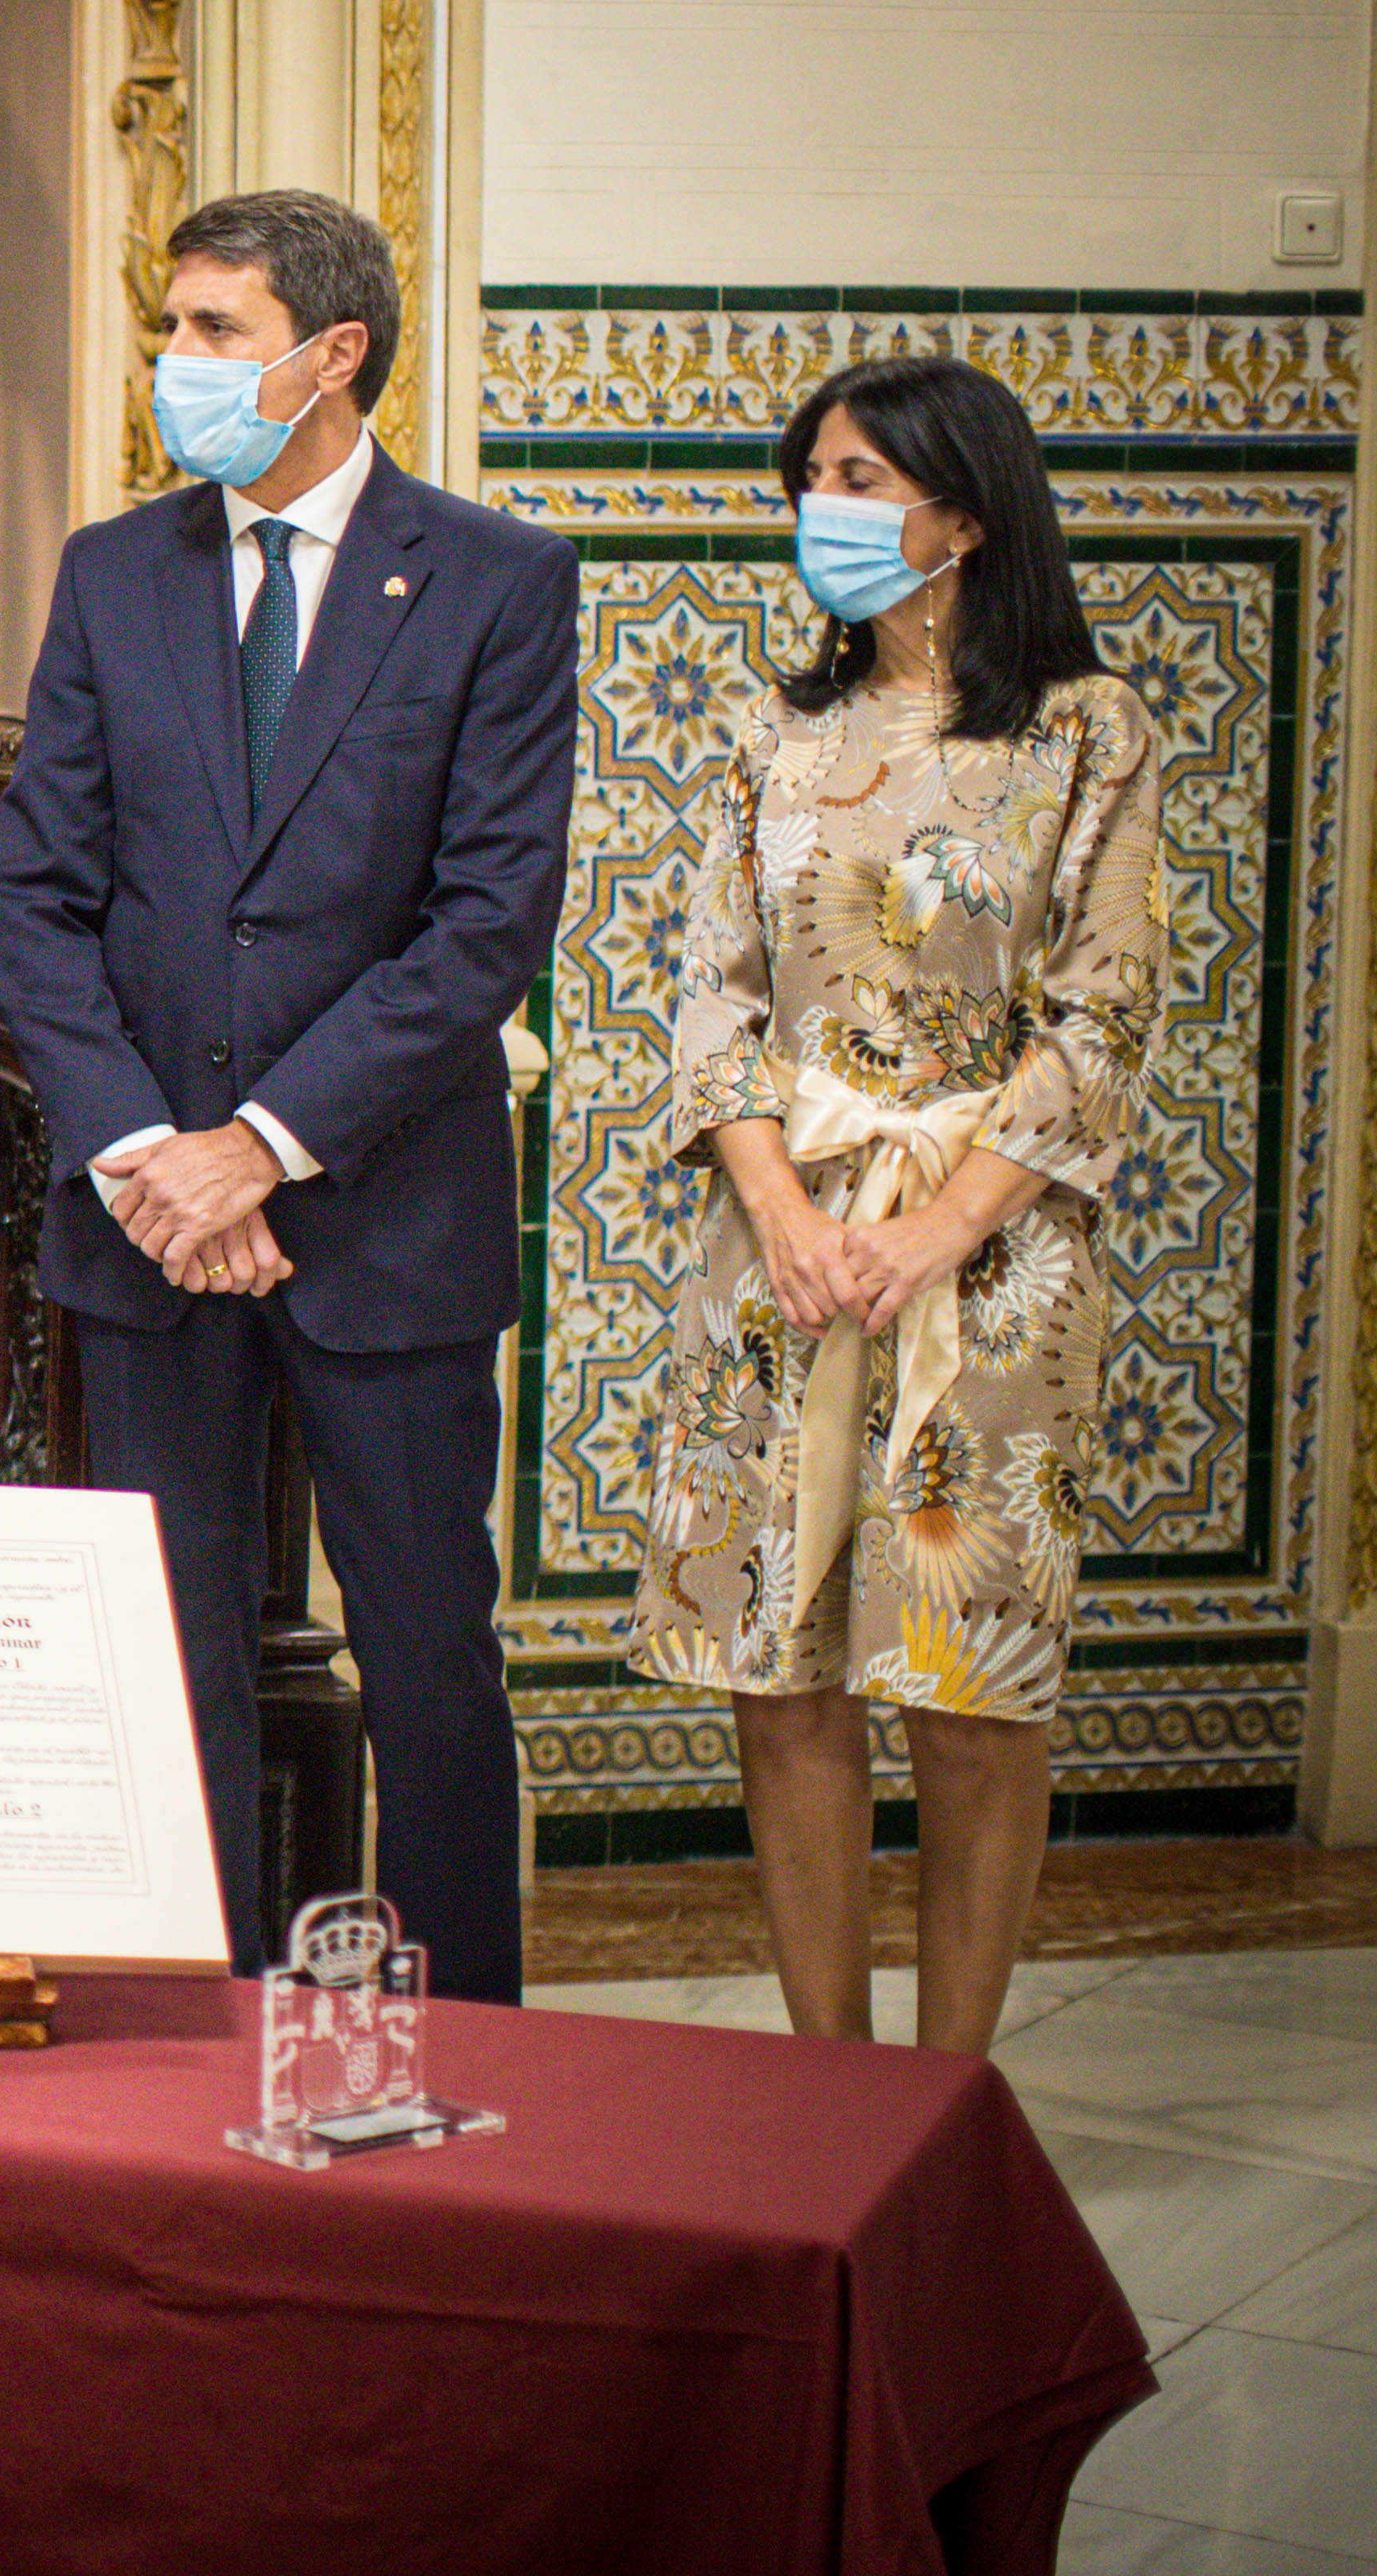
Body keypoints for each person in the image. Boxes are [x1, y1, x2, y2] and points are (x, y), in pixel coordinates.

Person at [0, 188, 578, 2004]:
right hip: (150, 1222)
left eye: (214, 332)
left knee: (421, 1653)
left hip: (382, 1212)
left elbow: (486, 927)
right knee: (172, 1652)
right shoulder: (115, 571)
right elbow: (43, 895)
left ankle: (478, 2025)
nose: (176, 366)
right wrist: (156, 1159)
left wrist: (264, 1149)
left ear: (332, 355)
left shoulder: (495, 579)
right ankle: (198, 2018)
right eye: (172, 329)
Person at [628, 353, 1159, 2059]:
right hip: (781, 1249)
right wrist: (782, 1210)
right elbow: (712, 996)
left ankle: (946, 2098)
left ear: (966, 514)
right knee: (782, 1675)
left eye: (859, 481)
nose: (822, 513)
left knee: (969, 1682)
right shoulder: (770, 734)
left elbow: (1106, 1008)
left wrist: (941, 1227)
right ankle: (827, 2089)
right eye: (813, 480)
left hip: (993, 1265)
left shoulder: (1089, 733)